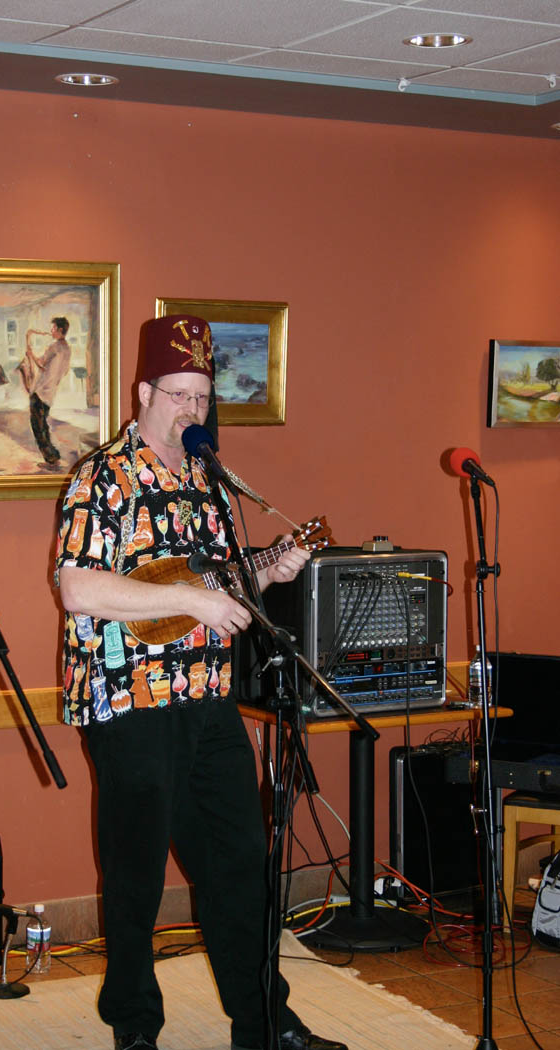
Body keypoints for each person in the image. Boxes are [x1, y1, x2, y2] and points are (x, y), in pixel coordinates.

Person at [54, 314, 348, 1050]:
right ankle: (135, 1030)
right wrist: (191, 599)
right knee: (137, 875)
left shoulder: (208, 484)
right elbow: (79, 587)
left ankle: (264, 1022)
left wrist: (269, 571)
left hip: (208, 699)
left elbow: (217, 585)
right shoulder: (104, 476)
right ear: (143, 392)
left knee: (241, 862)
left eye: (201, 397)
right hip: (127, 701)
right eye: (178, 394)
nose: (191, 410)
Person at [26, 316, 71, 465]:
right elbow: (63, 371)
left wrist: (30, 353)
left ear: (59, 330)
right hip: (50, 392)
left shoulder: (54, 347)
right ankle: (53, 454)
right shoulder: (67, 349)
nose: (50, 331)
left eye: (52, 328)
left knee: (38, 426)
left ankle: (50, 457)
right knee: (42, 423)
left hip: (40, 391)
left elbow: (41, 363)